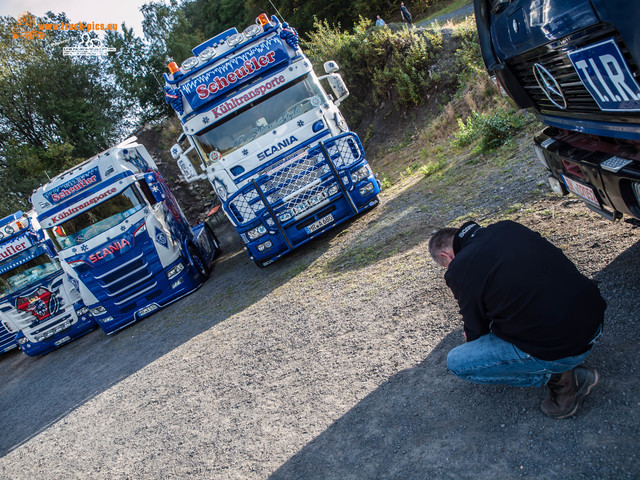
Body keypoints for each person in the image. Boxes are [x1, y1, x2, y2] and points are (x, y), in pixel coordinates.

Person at [428, 220, 605, 418]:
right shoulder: (506, 227)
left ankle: (559, 377)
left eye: (446, 265)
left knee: (458, 362)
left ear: (446, 255)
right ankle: (561, 362)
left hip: (567, 347)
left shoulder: (459, 269)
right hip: (594, 320)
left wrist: (472, 333)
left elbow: (476, 331)